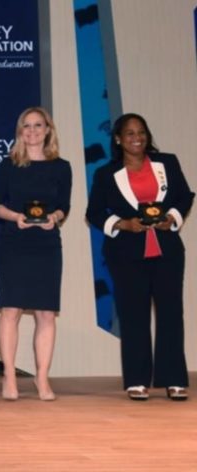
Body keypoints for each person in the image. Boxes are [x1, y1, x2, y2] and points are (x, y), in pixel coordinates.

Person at [86, 113, 193, 401]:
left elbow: (185, 196)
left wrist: (171, 218)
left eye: (141, 132)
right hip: (126, 254)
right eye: (130, 133)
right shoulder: (106, 174)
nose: (137, 138)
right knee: (134, 315)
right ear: (118, 139)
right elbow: (93, 213)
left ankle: (174, 379)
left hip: (167, 251)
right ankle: (136, 380)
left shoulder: (167, 163)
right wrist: (123, 224)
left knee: (171, 314)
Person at [0, 107, 71, 401]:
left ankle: (42, 377)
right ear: (20, 131)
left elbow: (64, 206)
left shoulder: (62, 167)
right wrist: (16, 217)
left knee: (46, 313)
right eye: (27, 126)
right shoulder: (8, 165)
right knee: (10, 311)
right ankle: (9, 375)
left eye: (38, 125)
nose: (33, 131)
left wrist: (56, 217)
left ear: (48, 129)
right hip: (15, 243)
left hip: (47, 244)